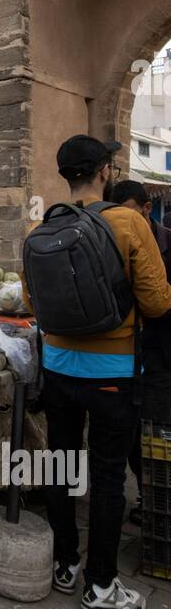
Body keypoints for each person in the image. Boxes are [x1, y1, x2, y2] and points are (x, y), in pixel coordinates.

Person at [22, 136, 171, 609]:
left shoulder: (36, 230)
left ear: (67, 175)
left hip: (58, 369)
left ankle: (65, 565)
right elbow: (157, 302)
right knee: (108, 476)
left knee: (62, 463)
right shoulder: (130, 222)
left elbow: (32, 307)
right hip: (114, 373)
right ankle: (101, 585)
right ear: (105, 171)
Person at [111, 179, 171, 525]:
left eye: (131, 214)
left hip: (159, 355)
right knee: (133, 435)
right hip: (126, 355)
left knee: (156, 428)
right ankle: (146, 497)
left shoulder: (167, 244)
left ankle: (156, 501)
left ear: (147, 209)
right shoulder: (114, 245)